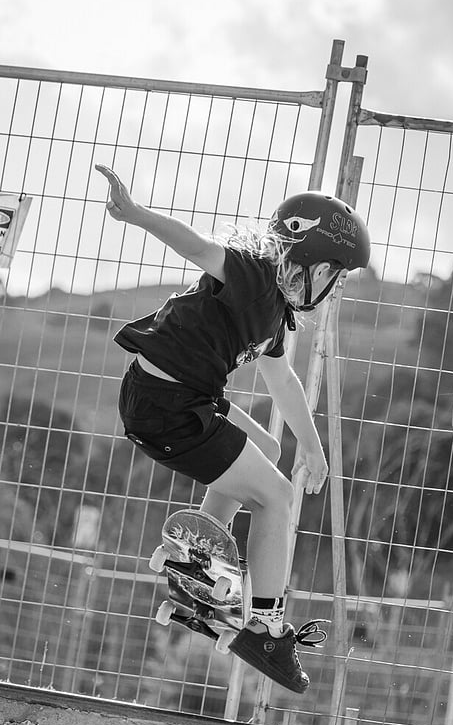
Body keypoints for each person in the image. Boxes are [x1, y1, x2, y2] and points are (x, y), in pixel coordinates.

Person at [95, 164, 370, 693]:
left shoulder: (273, 317)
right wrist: (135, 213)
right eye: (335, 276)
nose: (333, 290)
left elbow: (284, 381)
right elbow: (198, 248)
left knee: (264, 447)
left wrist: (311, 447)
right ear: (311, 260)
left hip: (173, 397)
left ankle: (199, 560)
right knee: (276, 497)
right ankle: (267, 627)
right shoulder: (251, 275)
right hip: (172, 404)